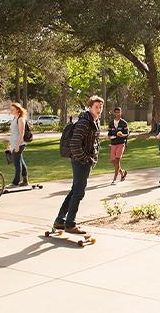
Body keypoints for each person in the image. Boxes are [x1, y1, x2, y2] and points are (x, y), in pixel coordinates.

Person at [53, 96, 103, 234]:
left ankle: (59, 221)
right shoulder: (84, 123)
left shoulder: (94, 121)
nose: (99, 110)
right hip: (80, 161)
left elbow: (94, 143)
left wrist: (92, 157)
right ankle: (70, 223)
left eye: (101, 107)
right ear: (89, 107)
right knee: (79, 192)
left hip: (85, 161)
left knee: (75, 190)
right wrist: (86, 159)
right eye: (96, 107)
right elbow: (74, 144)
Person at [6, 102, 29, 188]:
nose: (11, 111)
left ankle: (15, 182)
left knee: (17, 163)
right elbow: (13, 133)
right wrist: (9, 144)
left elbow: (21, 133)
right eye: (11, 109)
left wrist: (17, 145)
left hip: (19, 144)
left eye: (13, 109)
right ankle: (25, 180)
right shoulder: (14, 119)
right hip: (14, 143)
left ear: (18, 110)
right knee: (21, 162)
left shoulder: (20, 119)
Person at [107, 107, 129, 185]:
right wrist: (110, 137)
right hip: (113, 144)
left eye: (119, 112)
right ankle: (122, 172)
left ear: (121, 113)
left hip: (121, 143)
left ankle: (115, 179)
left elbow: (127, 134)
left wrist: (122, 135)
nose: (117, 114)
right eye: (116, 112)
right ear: (114, 113)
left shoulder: (124, 123)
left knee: (117, 160)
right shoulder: (111, 123)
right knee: (113, 161)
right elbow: (109, 134)